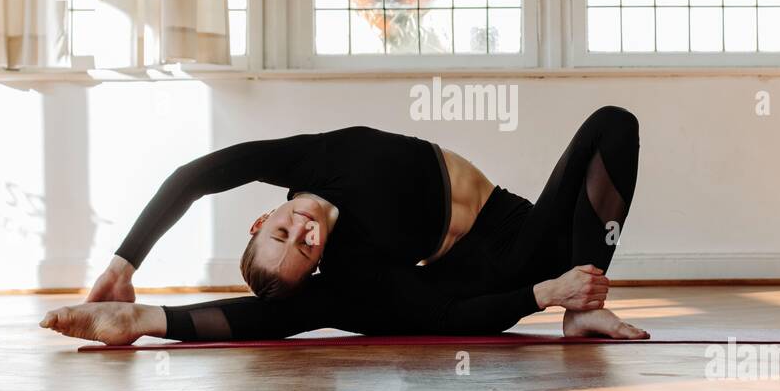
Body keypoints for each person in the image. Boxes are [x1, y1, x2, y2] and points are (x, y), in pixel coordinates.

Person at [40, 106, 648, 344]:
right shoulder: (352, 266)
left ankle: (584, 298)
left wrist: (123, 264)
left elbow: (195, 175)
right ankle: (581, 305)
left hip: (516, 223)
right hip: (500, 273)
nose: (302, 234)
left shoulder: (308, 160)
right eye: (303, 250)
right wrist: (544, 294)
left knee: (613, 125)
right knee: (329, 306)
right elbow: (439, 320)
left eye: (282, 233)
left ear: (263, 216)